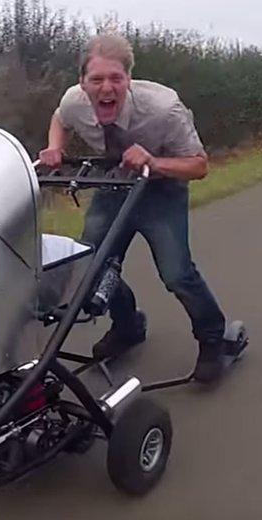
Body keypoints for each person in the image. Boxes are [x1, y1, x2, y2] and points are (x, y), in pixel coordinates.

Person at [38, 34, 228, 382]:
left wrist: (154, 161)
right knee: (90, 267)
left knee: (176, 274)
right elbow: (59, 119)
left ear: (129, 79)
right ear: (83, 83)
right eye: (96, 79)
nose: (106, 87)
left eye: (116, 78)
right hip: (114, 187)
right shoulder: (73, 101)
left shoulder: (164, 108)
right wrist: (53, 148)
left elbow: (199, 166)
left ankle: (214, 338)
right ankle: (127, 326)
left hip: (162, 191)